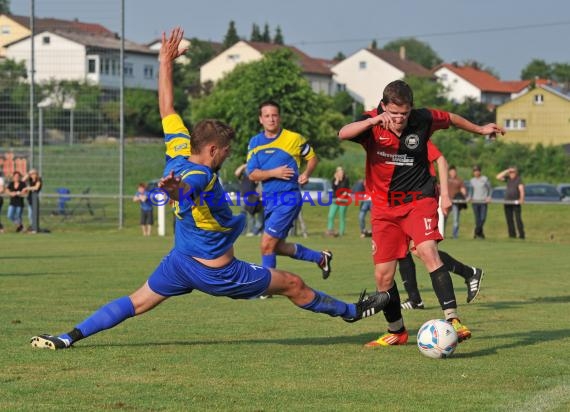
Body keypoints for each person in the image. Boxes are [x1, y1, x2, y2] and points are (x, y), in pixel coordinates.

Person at [30, 27, 389, 351]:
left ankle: (68, 336)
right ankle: (353, 311)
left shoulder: (177, 146)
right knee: (293, 283)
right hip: (218, 272)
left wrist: (165, 61)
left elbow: (166, 105)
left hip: (180, 262)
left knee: (136, 301)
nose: (229, 157)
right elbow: (189, 190)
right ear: (213, 150)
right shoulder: (203, 175)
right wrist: (174, 192)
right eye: (227, 152)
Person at [338, 79, 504, 347]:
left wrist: (480, 129)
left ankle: (453, 320)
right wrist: (373, 122)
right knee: (383, 276)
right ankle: (397, 331)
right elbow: (343, 133)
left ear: (411, 109)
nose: (400, 119)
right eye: (394, 114)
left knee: (427, 250)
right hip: (384, 208)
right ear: (383, 107)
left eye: (404, 114)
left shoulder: (422, 119)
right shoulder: (371, 123)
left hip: (419, 200)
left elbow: (451, 118)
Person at [246, 100, 332, 281]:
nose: (271, 119)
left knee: (266, 245)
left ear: (280, 117)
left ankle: (267, 286)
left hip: (288, 198)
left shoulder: (294, 138)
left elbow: (313, 158)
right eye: (267, 116)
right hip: (269, 201)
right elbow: (252, 174)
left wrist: (307, 173)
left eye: (274, 115)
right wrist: (274, 172)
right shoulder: (254, 142)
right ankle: (320, 258)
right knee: (276, 247)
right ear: (260, 119)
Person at [399, 142, 484, 310]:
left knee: (424, 250)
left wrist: (445, 195)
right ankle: (415, 298)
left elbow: (440, 160)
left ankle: (468, 274)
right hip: (402, 200)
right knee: (407, 250)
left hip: (422, 200)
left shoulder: (414, 137)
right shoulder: (388, 140)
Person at [234, 163, 264, 236]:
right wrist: (245, 165)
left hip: (252, 198)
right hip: (243, 197)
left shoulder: (254, 175)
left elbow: (258, 185)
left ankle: (253, 231)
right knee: (243, 216)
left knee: (252, 215)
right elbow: (236, 173)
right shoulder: (243, 176)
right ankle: (243, 232)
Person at [496, 166, 525, 239]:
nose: (511, 174)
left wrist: (521, 199)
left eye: (513, 172)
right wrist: (507, 170)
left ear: (516, 172)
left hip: (516, 202)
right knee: (509, 219)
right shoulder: (508, 179)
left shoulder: (518, 180)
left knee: (518, 219)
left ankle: (521, 235)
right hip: (507, 201)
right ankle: (512, 235)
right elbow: (498, 177)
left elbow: (521, 189)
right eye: (510, 172)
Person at [325, 166, 350, 237]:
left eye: (342, 172)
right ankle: (330, 231)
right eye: (339, 172)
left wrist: (341, 197)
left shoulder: (346, 180)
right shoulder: (334, 180)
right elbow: (333, 188)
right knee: (330, 215)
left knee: (341, 216)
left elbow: (347, 190)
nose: (341, 173)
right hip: (335, 200)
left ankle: (341, 233)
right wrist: (337, 180)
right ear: (336, 173)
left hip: (344, 200)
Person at [469, 165, 492, 239]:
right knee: (477, 219)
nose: (476, 172)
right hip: (475, 202)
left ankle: (476, 232)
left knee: (483, 218)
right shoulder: (472, 180)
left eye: (477, 171)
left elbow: (490, 188)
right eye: (475, 171)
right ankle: (480, 234)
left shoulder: (485, 179)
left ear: (480, 171)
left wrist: (489, 197)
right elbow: (471, 190)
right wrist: (470, 197)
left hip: (483, 201)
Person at [446, 165, 467, 239]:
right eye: (451, 171)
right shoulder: (446, 179)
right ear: (449, 172)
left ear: (455, 172)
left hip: (455, 202)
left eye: (454, 171)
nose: (452, 173)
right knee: (443, 218)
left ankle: (455, 235)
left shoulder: (459, 180)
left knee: (455, 219)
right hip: (446, 201)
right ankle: (442, 234)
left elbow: (463, 189)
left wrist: (464, 195)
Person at [23, 169, 42, 233]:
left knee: (34, 214)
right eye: (32, 174)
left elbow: (36, 187)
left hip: (35, 199)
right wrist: (28, 173)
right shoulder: (30, 179)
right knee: (30, 215)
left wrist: (27, 188)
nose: (33, 175)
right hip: (30, 198)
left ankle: (34, 228)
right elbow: (23, 180)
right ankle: (32, 227)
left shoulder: (38, 180)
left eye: (34, 174)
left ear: (36, 174)